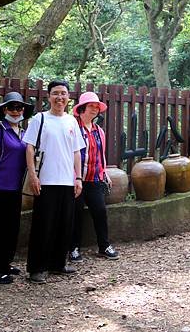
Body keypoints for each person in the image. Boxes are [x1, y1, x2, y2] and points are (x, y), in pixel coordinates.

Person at [23, 80, 86, 284]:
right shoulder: (39, 119)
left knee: (64, 224)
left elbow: (77, 152)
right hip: (46, 180)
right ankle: (36, 268)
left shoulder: (72, 121)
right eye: (56, 93)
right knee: (43, 225)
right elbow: (30, 148)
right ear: (49, 96)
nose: (60, 97)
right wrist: (33, 175)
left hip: (67, 181)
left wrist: (78, 178)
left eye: (63, 93)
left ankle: (58, 263)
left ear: (69, 97)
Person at [0, 92, 34, 284]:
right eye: (11, 107)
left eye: (19, 107)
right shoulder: (0, 130)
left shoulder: (23, 132)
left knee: (12, 228)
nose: (15, 111)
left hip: (15, 188)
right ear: (4, 110)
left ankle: (4, 263)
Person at [69, 92, 120, 264]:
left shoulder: (99, 131)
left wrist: (104, 172)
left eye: (97, 106)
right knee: (75, 213)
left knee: (100, 211)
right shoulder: (73, 128)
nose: (95, 109)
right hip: (76, 179)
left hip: (95, 178)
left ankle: (104, 246)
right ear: (82, 108)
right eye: (91, 106)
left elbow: (101, 154)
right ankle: (73, 248)